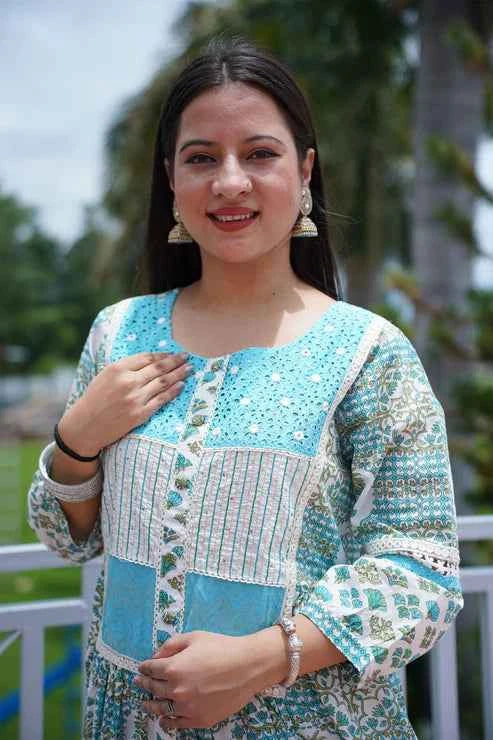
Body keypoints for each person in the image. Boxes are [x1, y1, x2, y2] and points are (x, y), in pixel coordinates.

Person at [28, 36, 463, 739]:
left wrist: (262, 659)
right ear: (171, 178)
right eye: (201, 158)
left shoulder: (367, 354)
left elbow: (422, 575)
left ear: (304, 170)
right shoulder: (119, 334)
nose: (229, 182)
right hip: (129, 719)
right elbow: (66, 539)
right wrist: (76, 441)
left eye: (259, 154)